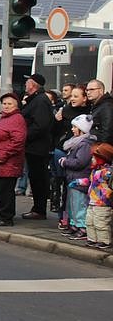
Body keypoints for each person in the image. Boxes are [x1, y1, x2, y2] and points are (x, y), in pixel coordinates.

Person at [0, 93, 27, 227]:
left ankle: (6, 217)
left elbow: (18, 141)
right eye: (5, 103)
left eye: (10, 104)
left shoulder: (17, 119)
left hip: (6, 162)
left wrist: (4, 155)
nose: (6, 106)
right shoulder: (4, 118)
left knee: (5, 190)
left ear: (16, 106)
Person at [52, 85, 90, 227]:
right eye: (71, 96)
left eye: (76, 96)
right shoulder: (65, 110)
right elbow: (55, 131)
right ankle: (65, 217)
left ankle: (75, 222)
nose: (72, 99)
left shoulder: (89, 114)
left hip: (77, 154)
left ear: (84, 98)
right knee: (62, 185)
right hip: (62, 149)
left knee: (75, 191)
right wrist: (56, 120)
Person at [20, 73, 54, 220]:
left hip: (37, 148)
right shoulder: (35, 100)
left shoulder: (40, 101)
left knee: (38, 178)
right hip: (33, 147)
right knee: (35, 178)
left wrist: (24, 136)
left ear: (32, 84)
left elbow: (40, 125)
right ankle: (38, 208)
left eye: (27, 82)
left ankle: (39, 210)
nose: (25, 84)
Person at [72, 142, 113, 250]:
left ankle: (104, 241)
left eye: (94, 158)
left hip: (102, 203)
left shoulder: (107, 172)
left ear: (101, 158)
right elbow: (90, 182)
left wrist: (107, 194)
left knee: (101, 223)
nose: (92, 160)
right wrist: (79, 182)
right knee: (89, 222)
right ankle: (92, 239)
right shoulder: (95, 171)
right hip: (92, 201)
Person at [58, 114, 93, 240]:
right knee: (72, 204)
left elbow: (80, 162)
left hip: (80, 180)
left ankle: (82, 227)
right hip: (73, 179)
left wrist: (65, 162)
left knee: (79, 204)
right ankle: (74, 225)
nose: (72, 129)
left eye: (75, 127)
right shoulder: (78, 142)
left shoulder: (84, 144)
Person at [86, 79, 113, 144]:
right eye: (87, 90)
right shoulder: (97, 105)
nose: (88, 92)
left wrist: (99, 148)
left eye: (92, 89)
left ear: (100, 90)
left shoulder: (107, 106)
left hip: (99, 148)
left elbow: (107, 132)